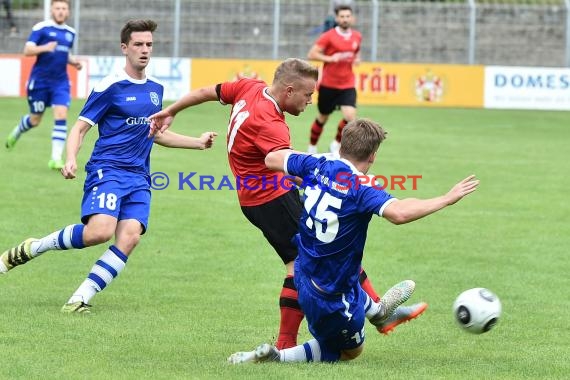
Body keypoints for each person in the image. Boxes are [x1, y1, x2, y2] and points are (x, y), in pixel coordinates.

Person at [148, 58, 410, 349]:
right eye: (308, 95)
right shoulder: (271, 125)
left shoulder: (250, 87)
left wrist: (171, 110)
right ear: (288, 90)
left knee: (330, 246)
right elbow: (281, 164)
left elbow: (207, 91)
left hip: (264, 195)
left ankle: (375, 311)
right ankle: (295, 340)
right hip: (269, 199)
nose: (310, 101)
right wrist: (330, 182)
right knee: (305, 261)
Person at [0, 19, 217, 314]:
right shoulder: (110, 86)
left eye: (149, 45)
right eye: (138, 45)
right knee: (98, 232)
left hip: (140, 177)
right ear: (124, 48)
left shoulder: (156, 89)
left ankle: (79, 299)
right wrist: (71, 158)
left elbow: (155, 134)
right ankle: (34, 247)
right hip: (108, 170)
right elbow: (79, 128)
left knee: (130, 237)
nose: (145, 50)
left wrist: (198, 142)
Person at [228, 118, 480, 364]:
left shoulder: (318, 162)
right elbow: (399, 212)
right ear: (372, 156)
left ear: (341, 145)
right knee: (350, 351)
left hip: (302, 274)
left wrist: (307, 175)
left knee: (346, 273)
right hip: (331, 295)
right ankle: (278, 357)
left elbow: (272, 159)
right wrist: (446, 198)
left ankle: (378, 312)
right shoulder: (362, 186)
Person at [5, 0, 82, 170]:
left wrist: (74, 62)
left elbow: (64, 53)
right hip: (40, 82)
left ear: (68, 11)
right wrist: (45, 47)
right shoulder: (41, 28)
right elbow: (27, 50)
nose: (61, 11)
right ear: (52, 10)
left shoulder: (71, 32)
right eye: (57, 8)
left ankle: (55, 159)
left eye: (64, 8)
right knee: (35, 119)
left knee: (61, 114)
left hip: (60, 82)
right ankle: (18, 131)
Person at [307, 4, 361, 156]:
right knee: (323, 117)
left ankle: (335, 145)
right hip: (329, 84)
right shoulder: (329, 36)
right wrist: (330, 58)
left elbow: (356, 52)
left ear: (352, 18)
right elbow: (311, 54)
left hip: (347, 84)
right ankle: (312, 147)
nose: (345, 19)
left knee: (350, 117)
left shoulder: (357, 36)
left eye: (347, 16)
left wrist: (357, 59)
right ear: (337, 18)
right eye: (342, 16)